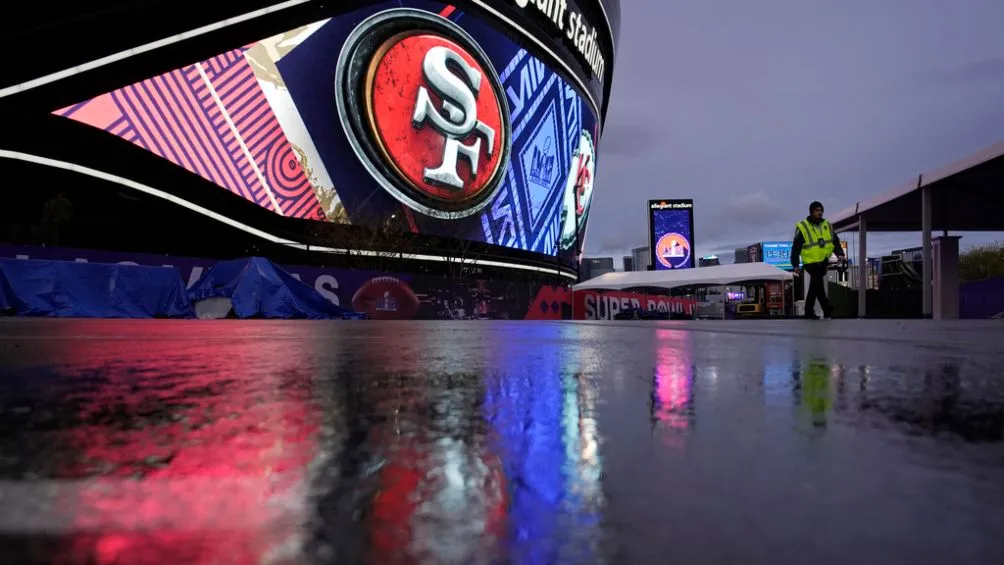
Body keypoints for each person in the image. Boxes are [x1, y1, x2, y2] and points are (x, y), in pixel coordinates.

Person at [790, 201, 846, 319]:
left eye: (821, 210)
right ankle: (814, 310)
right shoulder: (803, 226)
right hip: (810, 261)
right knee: (816, 283)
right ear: (811, 212)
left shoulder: (827, 225)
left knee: (816, 285)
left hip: (823, 260)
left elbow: (835, 241)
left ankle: (823, 309)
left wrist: (840, 253)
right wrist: (795, 264)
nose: (820, 212)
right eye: (817, 210)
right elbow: (796, 247)